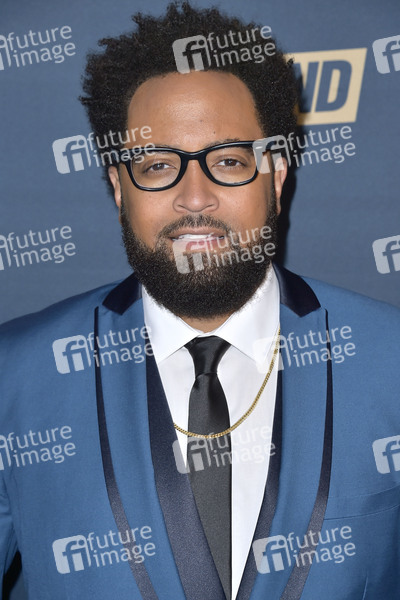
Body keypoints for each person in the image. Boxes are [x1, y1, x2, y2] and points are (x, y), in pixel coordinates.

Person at [1, 3, 399, 599]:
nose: (195, 197)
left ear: (276, 177)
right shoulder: (16, 375)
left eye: (229, 161)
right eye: (158, 164)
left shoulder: (390, 361)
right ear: (118, 187)